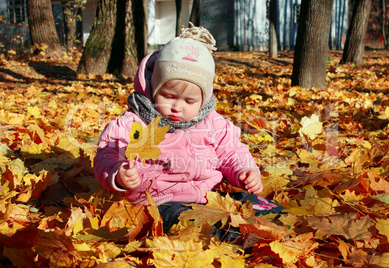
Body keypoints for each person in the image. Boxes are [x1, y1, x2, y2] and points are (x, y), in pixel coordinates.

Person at [94, 23, 282, 241]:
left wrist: (245, 171)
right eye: (168, 96)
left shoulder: (213, 123)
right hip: (158, 202)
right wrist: (118, 174)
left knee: (252, 203)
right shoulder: (134, 123)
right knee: (187, 223)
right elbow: (107, 153)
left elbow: (232, 152)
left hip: (209, 197)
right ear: (153, 89)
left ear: (203, 100)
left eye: (189, 100)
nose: (177, 107)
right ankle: (235, 237)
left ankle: (278, 222)